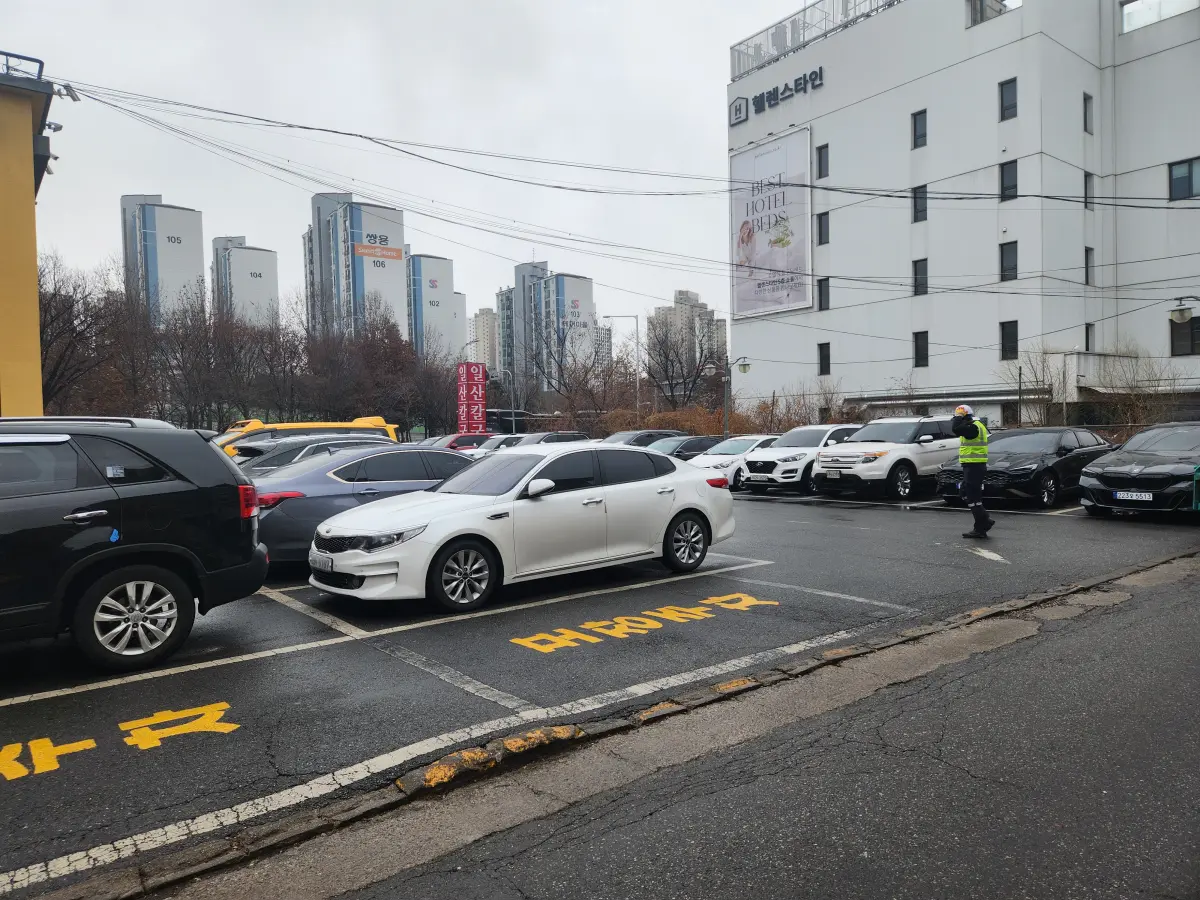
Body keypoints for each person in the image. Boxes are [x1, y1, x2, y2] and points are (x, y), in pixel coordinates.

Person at [952, 404, 995, 539]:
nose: (959, 420)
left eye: (961, 417)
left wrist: (958, 418)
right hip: (972, 466)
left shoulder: (974, 428)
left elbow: (956, 429)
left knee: (972, 496)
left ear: (966, 417)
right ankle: (984, 521)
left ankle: (982, 525)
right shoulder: (974, 426)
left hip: (974, 466)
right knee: (966, 493)